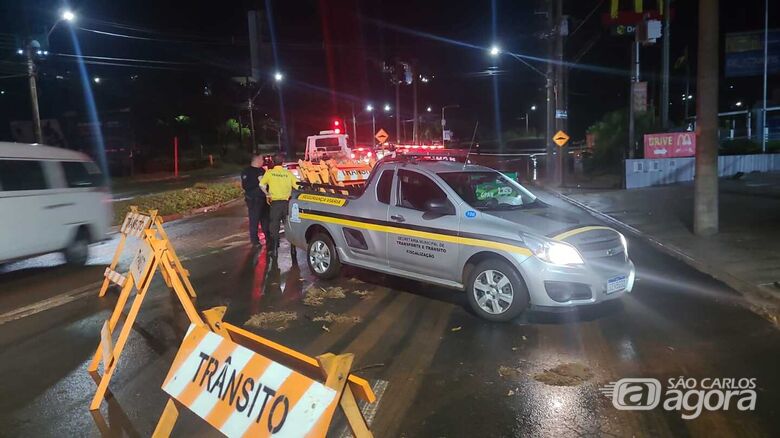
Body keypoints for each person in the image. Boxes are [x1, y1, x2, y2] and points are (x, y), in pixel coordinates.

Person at [260, 153, 299, 257]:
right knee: (289, 226)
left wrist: (267, 194)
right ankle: (293, 249)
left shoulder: (269, 173)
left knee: (274, 227)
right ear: (282, 163)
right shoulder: (288, 173)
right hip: (287, 204)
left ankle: (275, 249)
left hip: (275, 204)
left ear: (273, 162)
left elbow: (261, 184)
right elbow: (298, 186)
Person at [241, 155, 269, 246]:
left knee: (265, 220)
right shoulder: (247, 171)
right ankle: (254, 240)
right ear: (256, 160)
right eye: (261, 159)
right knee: (254, 220)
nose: (263, 161)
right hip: (253, 200)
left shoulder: (262, 170)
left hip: (264, 199)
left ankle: (268, 238)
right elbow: (246, 186)